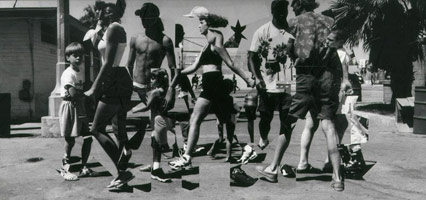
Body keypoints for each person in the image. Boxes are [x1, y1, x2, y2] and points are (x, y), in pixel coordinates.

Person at [256, 0, 348, 192]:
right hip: (327, 78)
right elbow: (338, 48)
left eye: (294, 4)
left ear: (300, 4)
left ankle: (273, 169)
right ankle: (338, 177)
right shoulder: (329, 21)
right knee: (328, 125)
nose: (292, 7)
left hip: (305, 77)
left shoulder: (295, 22)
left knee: (288, 122)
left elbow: (289, 50)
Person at [168, 7, 255, 170]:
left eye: (201, 22)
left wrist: (247, 78)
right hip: (210, 84)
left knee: (195, 119)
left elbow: (230, 63)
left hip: (214, 84)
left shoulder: (216, 39)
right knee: (225, 121)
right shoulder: (206, 45)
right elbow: (193, 67)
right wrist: (177, 74)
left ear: (208, 23)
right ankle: (248, 149)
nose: (198, 26)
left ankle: (187, 156)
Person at [83, 2, 134, 189]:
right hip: (117, 78)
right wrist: (97, 25)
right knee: (118, 129)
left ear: (119, 11)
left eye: (112, 8)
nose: (108, 11)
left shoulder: (114, 28)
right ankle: (123, 174)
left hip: (115, 78)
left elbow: (108, 62)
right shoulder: (107, 30)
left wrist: (94, 89)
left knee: (96, 128)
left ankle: (123, 172)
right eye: (105, 9)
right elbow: (97, 48)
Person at [294, 29, 353, 175]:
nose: (327, 41)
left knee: (311, 124)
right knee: (336, 125)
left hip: (314, 90)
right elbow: (345, 79)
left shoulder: (320, 51)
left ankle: (302, 162)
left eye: (331, 40)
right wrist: (346, 87)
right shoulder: (342, 54)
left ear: (340, 41)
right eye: (327, 39)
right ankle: (329, 161)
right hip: (328, 93)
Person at [248, 0, 294, 153]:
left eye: (284, 10)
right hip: (267, 82)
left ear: (287, 11)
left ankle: (280, 150)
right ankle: (264, 137)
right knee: (265, 118)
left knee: (285, 118)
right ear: (272, 12)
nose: (282, 14)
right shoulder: (262, 31)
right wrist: (257, 78)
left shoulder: (292, 31)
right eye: (278, 11)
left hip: (286, 81)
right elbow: (251, 57)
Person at [127, 3, 178, 128]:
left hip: (154, 86)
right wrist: (130, 84)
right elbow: (129, 65)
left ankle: (166, 144)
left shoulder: (165, 40)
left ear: (155, 17)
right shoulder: (135, 38)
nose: (143, 19)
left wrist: (171, 91)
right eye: (142, 16)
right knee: (153, 123)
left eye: (147, 16)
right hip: (137, 85)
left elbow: (174, 70)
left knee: (158, 122)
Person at [57, 42, 96, 181]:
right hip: (70, 107)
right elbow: (73, 93)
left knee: (88, 137)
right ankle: (65, 167)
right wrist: (88, 93)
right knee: (70, 139)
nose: (78, 58)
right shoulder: (68, 74)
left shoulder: (79, 71)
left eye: (80, 55)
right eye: (75, 55)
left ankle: (84, 167)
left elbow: (80, 92)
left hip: (79, 106)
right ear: (68, 57)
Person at [132, 69, 173, 183]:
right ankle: (154, 166)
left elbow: (147, 106)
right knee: (155, 144)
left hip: (157, 120)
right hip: (160, 119)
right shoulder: (164, 90)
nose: (151, 80)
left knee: (157, 145)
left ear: (159, 79)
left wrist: (133, 110)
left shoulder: (155, 92)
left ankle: (156, 170)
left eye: (153, 78)